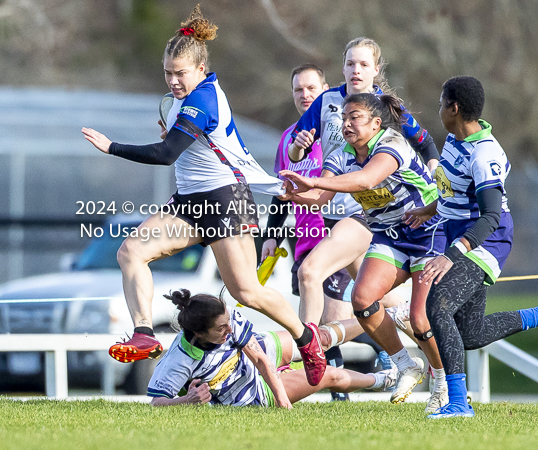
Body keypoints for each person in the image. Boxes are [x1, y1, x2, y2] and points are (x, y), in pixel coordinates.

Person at [81, 5, 327, 386]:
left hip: (226, 200)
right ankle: (145, 334)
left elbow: (165, 155)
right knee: (130, 252)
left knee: (246, 291)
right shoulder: (183, 98)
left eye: (181, 73)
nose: (174, 81)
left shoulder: (204, 98)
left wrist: (112, 147)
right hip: (191, 201)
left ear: (200, 69)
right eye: (168, 73)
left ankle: (307, 338)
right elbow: (187, 144)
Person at [284, 38, 440, 392]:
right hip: (361, 221)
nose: (356, 70)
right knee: (373, 303)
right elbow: (315, 183)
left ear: (376, 70)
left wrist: (434, 172)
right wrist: (297, 190)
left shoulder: (390, 127)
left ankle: (312, 351)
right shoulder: (332, 119)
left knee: (314, 273)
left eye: (363, 64)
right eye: (350, 64)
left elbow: (372, 176)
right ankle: (406, 358)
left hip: (399, 220)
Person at [403, 76, 538, 418]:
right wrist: (428, 209)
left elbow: (491, 215)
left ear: (454, 107)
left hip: (487, 241)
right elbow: (454, 192)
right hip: (464, 239)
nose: (438, 109)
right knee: (469, 334)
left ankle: (459, 403)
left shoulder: (485, 153)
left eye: (440, 103)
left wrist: (451, 255)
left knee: (437, 306)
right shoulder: (453, 140)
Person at [261, 63, 397, 401]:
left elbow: (335, 189)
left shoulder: (338, 135)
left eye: (311, 89)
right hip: (305, 241)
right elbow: (283, 192)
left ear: (326, 93)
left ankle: (385, 358)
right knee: (340, 316)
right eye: (298, 90)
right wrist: (272, 235)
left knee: (335, 317)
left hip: (340, 233)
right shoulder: (290, 140)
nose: (305, 95)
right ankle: (346, 384)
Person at [148, 289, 404, 408]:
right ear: (198, 333)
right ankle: (387, 379)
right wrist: (187, 400)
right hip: (250, 393)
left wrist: (284, 402)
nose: (229, 331)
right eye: (220, 330)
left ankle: (384, 315)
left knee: (317, 338)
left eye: (228, 323)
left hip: (258, 354)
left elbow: (260, 360)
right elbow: (156, 402)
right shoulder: (178, 361)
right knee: (329, 375)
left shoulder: (226, 320)